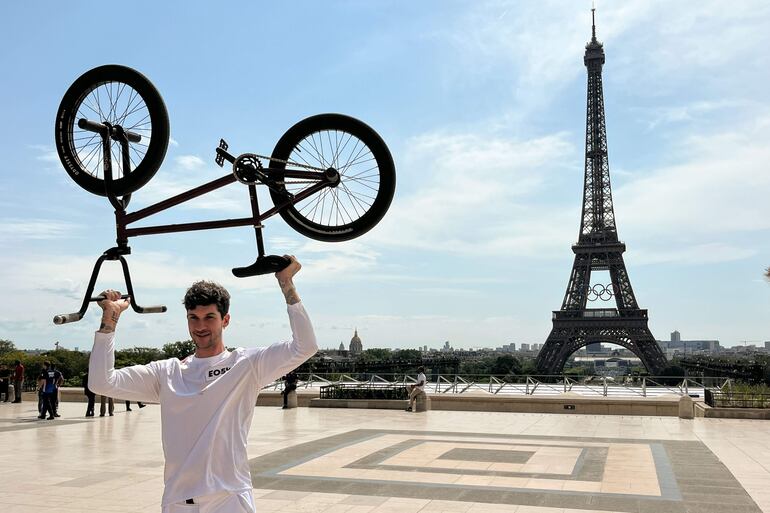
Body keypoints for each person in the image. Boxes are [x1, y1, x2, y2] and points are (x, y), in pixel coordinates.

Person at [88, 256, 316, 513]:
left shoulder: (247, 364)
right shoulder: (168, 372)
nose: (201, 326)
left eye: (209, 317)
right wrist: (110, 320)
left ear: (225, 320)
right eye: (193, 318)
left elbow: (305, 346)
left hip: (229, 499)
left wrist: (286, 284)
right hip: (178, 502)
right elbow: (101, 382)